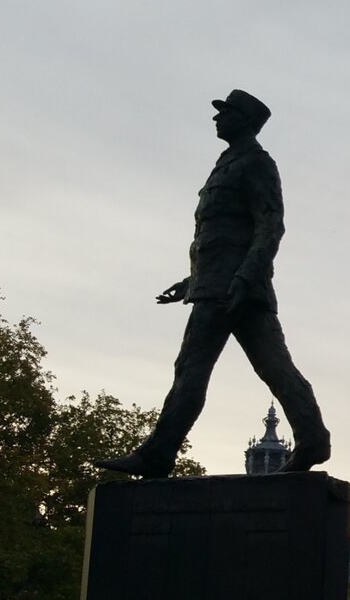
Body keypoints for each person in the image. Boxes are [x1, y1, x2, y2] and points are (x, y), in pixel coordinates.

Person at [96, 89, 330, 478]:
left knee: (194, 369)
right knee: (274, 369)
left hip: (234, 289)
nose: (216, 119)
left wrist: (244, 277)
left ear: (245, 121)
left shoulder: (255, 163)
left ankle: (157, 455)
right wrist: (191, 282)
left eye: (225, 113)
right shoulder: (226, 164)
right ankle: (313, 439)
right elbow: (222, 238)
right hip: (217, 286)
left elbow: (270, 224)